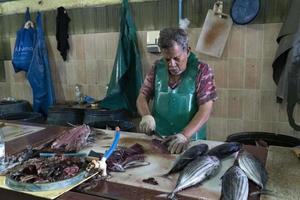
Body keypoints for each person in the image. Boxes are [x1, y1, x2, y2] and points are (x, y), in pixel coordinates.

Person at [136, 28, 217, 154]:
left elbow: (206, 110)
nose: (171, 64)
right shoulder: (157, 67)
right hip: (159, 140)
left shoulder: (202, 70)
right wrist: (146, 115)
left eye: (176, 58)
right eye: (167, 59)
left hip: (191, 142)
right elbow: (142, 96)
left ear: (187, 51)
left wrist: (184, 135)